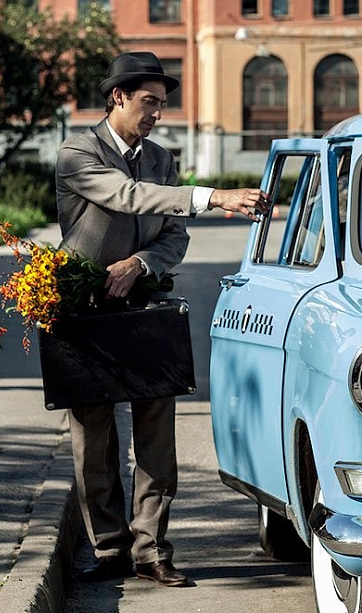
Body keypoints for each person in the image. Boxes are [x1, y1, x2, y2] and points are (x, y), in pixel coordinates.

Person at [54, 51, 267, 587]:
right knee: (93, 438)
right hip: (84, 311)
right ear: (118, 98)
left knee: (155, 434)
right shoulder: (77, 152)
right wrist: (212, 195)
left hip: (145, 307)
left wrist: (142, 261)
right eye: (148, 102)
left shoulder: (162, 159)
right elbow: (126, 196)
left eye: (162, 105)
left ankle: (151, 550)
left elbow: (173, 234)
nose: (156, 114)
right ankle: (107, 549)